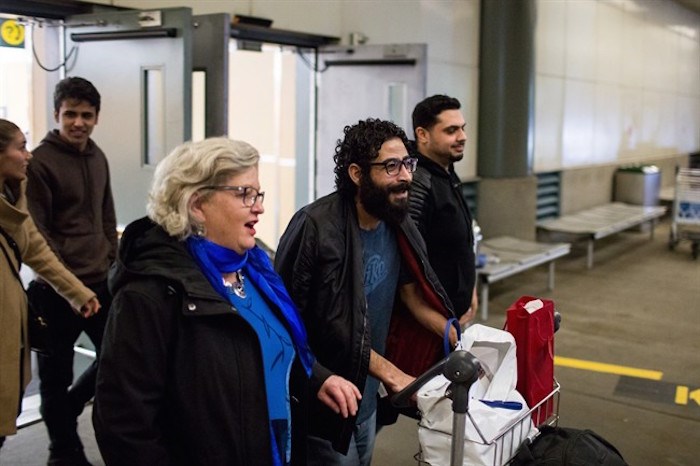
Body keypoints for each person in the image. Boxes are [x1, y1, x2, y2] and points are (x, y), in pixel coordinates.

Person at [92, 137, 360, 466]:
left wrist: (316, 378)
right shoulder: (149, 294)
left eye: (258, 194)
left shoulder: (255, 269)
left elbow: (263, 347)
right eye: (244, 194)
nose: (259, 206)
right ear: (196, 204)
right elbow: (123, 427)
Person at [274, 118, 457, 466]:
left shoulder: (397, 220)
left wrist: (454, 334)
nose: (405, 175)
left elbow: (411, 298)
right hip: (328, 400)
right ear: (357, 174)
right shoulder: (315, 227)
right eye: (391, 166)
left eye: (408, 163)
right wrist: (393, 374)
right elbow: (307, 322)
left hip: (368, 398)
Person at [26, 76, 117, 465]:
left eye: (86, 115)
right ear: (56, 115)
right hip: (56, 290)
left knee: (117, 357)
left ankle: (69, 407)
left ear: (96, 117)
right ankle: (63, 450)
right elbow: (38, 234)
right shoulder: (39, 162)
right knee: (54, 375)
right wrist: (70, 286)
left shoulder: (97, 156)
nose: (78, 122)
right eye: (70, 115)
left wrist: (112, 260)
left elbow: (106, 214)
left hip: (100, 282)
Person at [0, 119, 99, 451]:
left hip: (12, 320)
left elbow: (34, 249)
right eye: (21, 147)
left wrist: (77, 291)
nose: (28, 156)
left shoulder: (14, 194)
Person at [409, 94, 478, 324]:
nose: (463, 137)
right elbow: (409, 270)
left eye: (462, 128)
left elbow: (460, 244)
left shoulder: (446, 170)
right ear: (423, 135)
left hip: (455, 315)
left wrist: (471, 289)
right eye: (451, 131)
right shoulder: (417, 184)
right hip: (434, 324)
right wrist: (442, 327)